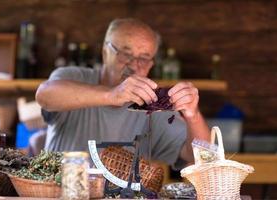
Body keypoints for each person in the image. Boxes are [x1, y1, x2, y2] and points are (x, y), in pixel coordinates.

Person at [36, 18, 210, 168]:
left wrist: (192, 115)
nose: (134, 65)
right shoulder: (72, 76)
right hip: (62, 192)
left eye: (143, 58)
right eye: (125, 54)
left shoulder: (152, 105)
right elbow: (44, 95)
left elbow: (202, 156)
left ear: (151, 64)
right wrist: (112, 95)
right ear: (105, 53)